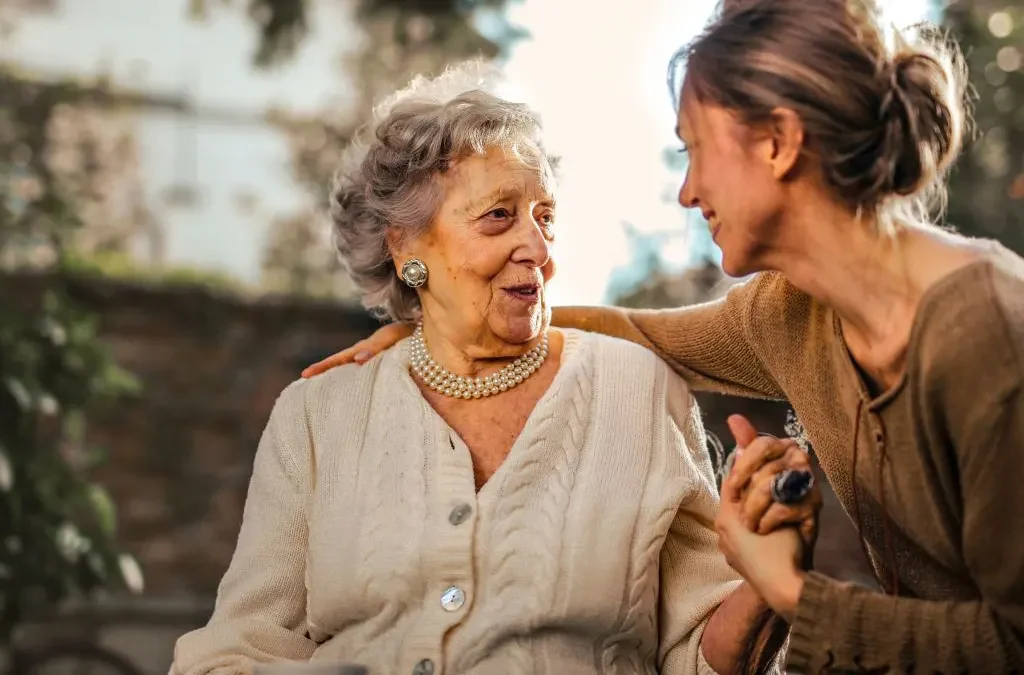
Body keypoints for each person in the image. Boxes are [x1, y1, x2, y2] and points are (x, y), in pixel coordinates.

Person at [302, 0, 1024, 672]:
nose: (687, 191)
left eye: (695, 150)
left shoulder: (986, 336)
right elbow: (635, 331)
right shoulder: (788, 313)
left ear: (777, 142)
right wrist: (438, 322)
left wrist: (789, 591)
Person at [172, 62, 800, 675]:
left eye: (545, 217)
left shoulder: (638, 391)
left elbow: (701, 658)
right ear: (406, 245)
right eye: (499, 215)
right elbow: (239, 648)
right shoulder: (317, 416)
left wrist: (766, 584)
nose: (538, 248)